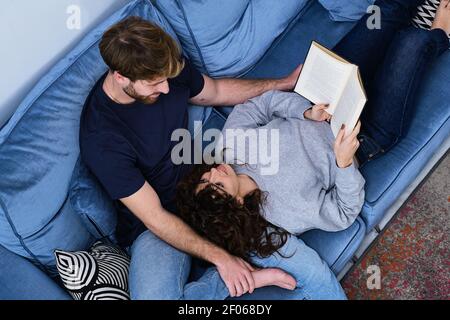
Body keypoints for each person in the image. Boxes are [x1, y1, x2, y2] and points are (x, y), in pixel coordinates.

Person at [175, 0, 450, 300]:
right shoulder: (284, 213)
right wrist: (344, 163)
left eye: (206, 178)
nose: (215, 172)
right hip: (366, 132)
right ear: (238, 202)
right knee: (411, 43)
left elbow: (261, 105)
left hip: (325, 95)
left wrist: (305, 113)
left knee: (384, 13)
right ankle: (440, 35)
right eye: (218, 185)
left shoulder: (230, 149)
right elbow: (344, 212)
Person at [79, 16, 304, 299]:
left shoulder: (164, 64)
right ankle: (231, 281)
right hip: (157, 227)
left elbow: (216, 92)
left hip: (208, 191)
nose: (165, 89)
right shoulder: (102, 139)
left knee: (293, 246)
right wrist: (223, 259)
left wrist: (282, 83)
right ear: (121, 76)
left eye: (166, 79)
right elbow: (155, 217)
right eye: (154, 84)